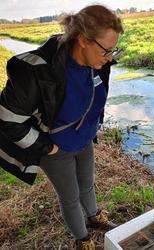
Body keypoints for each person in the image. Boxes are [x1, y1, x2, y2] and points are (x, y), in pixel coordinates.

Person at [0, 5, 123, 250]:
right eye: (107, 50)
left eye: (114, 50)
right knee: (70, 196)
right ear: (83, 40)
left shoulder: (97, 62)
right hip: (56, 147)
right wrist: (47, 147)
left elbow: (92, 99)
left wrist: (91, 127)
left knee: (87, 184)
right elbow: (8, 118)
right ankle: (83, 239)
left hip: (85, 139)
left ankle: (94, 216)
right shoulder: (35, 70)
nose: (111, 57)